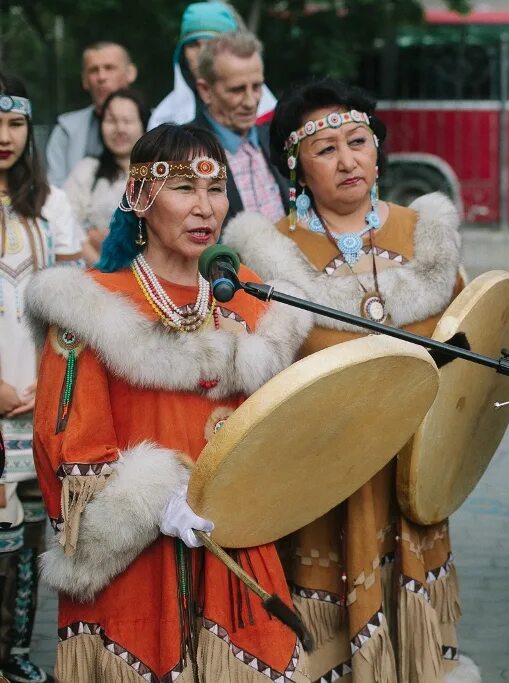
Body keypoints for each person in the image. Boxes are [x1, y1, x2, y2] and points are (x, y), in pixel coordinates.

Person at [27, 124, 314, 681]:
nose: (204, 207)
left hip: (236, 543)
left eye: (216, 188)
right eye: (184, 187)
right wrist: (151, 497)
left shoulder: (256, 300)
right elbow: (66, 443)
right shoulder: (93, 306)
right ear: (138, 197)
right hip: (136, 560)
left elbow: (285, 424)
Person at [224, 79, 480, 683]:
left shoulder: (427, 235)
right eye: (326, 148)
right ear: (296, 165)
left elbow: (468, 352)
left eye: (358, 142)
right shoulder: (270, 254)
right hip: (319, 472)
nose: (348, 161)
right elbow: (258, 376)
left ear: (376, 149)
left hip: (412, 466)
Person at [0, 71, 82, 683]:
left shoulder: (50, 205)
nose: (4, 135)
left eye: (15, 122)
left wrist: (54, 380)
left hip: (39, 399)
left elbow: (70, 308)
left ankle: (19, 657)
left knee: (31, 541)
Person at [191, 32, 288, 224]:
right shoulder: (184, 151)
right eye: (237, 90)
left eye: (257, 86)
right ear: (205, 90)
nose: (251, 102)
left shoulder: (277, 137)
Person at [149, 1, 276, 130]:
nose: (202, 53)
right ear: (182, 52)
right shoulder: (164, 119)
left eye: (211, 43)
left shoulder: (273, 118)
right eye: (193, 45)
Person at [63, 89, 149, 265]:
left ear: (144, 123)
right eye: (111, 120)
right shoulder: (87, 170)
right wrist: (102, 268)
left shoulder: (159, 173)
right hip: (94, 275)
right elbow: (66, 222)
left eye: (128, 121)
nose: (119, 129)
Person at [45, 42, 137, 187]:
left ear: (130, 73)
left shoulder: (158, 123)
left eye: (109, 68)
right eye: (94, 70)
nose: (101, 77)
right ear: (85, 81)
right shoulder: (65, 131)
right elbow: (55, 189)